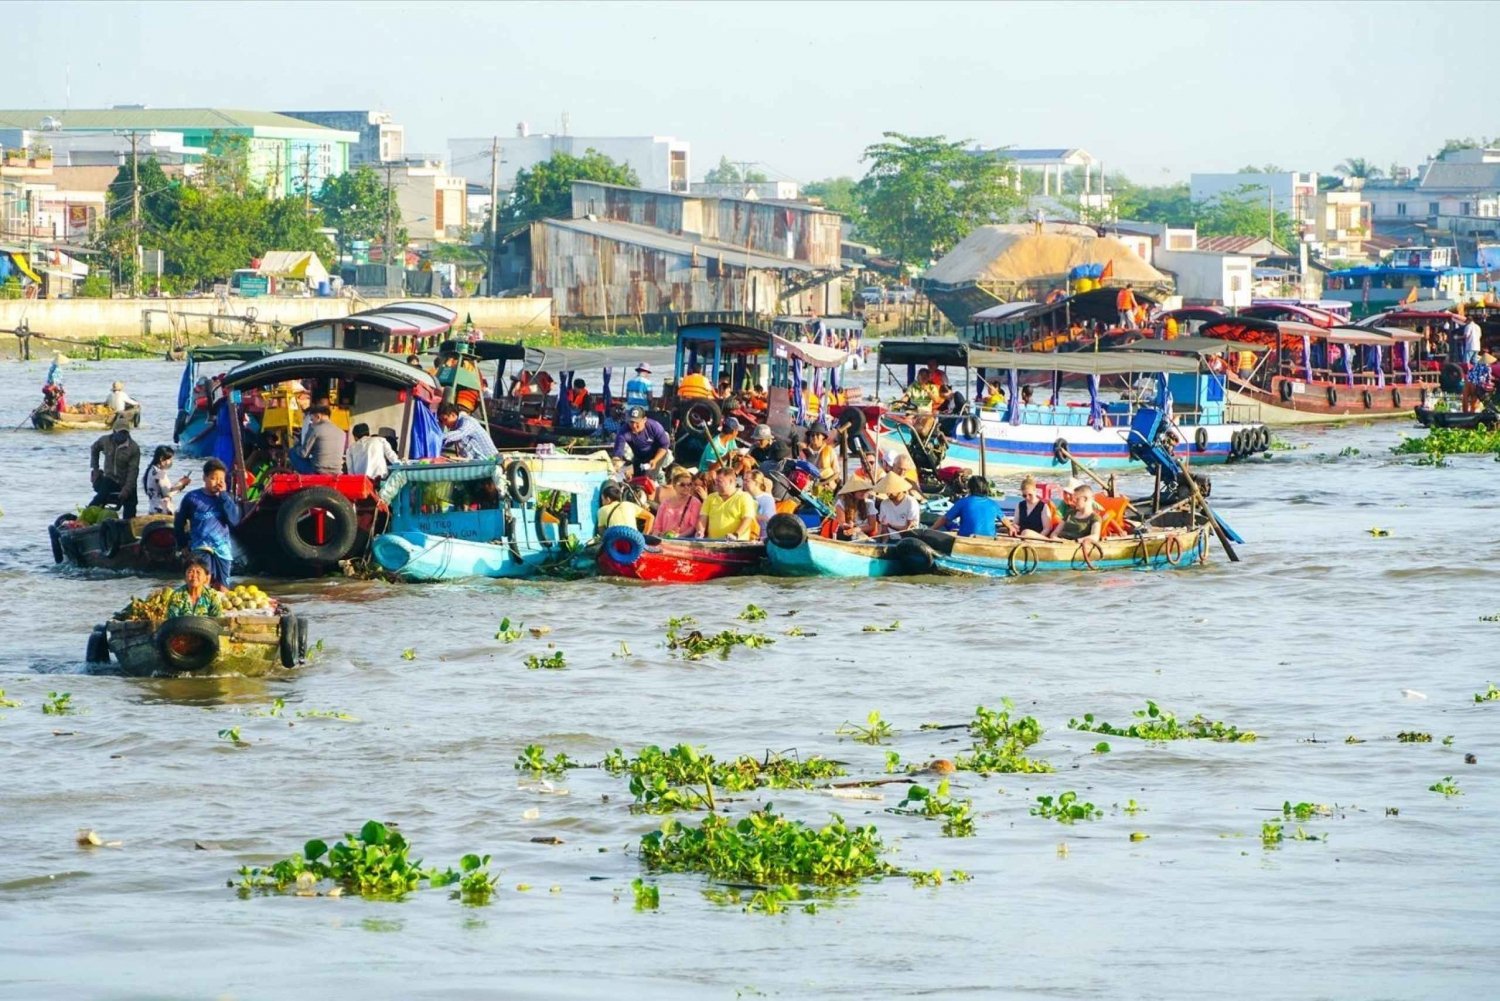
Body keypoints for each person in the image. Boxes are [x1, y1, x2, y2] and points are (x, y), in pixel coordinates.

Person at [174, 458, 241, 590]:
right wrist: (182, 544)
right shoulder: (192, 498)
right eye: (213, 478)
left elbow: (234, 520)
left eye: (221, 479)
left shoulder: (227, 498)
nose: (218, 482)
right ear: (204, 478)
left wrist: (224, 496)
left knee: (222, 588)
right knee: (203, 583)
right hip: (201, 547)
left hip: (222, 549)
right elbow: (179, 522)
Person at [89, 414, 141, 518]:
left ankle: (127, 527)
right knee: (99, 499)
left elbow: (133, 471)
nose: (123, 435)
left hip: (126, 481)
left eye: (125, 432)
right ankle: (84, 519)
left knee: (131, 504)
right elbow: (94, 449)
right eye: (120, 432)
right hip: (110, 478)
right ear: (114, 432)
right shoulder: (105, 441)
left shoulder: (133, 448)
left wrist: (126, 489)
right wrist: (95, 469)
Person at [698, 465, 758, 540]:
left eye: (719, 481)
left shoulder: (744, 497)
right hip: (712, 543)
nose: (715, 484)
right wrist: (700, 531)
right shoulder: (710, 497)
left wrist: (736, 534)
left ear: (731, 481)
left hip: (736, 545)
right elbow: (703, 517)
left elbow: (747, 519)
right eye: (715, 481)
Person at [613, 405, 673, 478]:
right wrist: (616, 464)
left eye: (637, 422)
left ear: (644, 420)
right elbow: (618, 451)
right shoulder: (624, 430)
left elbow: (664, 445)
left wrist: (655, 460)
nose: (634, 426)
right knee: (635, 478)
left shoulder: (654, 426)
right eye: (631, 422)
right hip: (639, 455)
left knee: (649, 476)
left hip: (657, 454)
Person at [933, 476, 1002, 538]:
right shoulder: (993, 504)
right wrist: (1011, 528)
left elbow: (944, 519)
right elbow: (1005, 521)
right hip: (989, 539)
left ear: (969, 488)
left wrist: (930, 530)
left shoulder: (963, 502)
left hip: (967, 538)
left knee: (945, 524)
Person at [294, 406, 346, 475]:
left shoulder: (314, 429)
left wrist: (296, 447)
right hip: (337, 471)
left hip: (318, 470)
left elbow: (304, 454)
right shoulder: (341, 432)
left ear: (318, 417)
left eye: (312, 420)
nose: (311, 423)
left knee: (292, 452)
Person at [652, 468, 703, 537]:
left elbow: (693, 527)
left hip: (684, 541)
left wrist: (678, 536)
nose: (686, 487)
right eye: (682, 484)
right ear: (674, 485)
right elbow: (656, 527)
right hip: (664, 541)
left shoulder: (694, 502)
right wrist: (660, 534)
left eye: (689, 484)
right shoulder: (665, 503)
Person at [143, 445, 192, 516]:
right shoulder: (160, 473)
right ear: (162, 459)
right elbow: (168, 492)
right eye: (170, 459)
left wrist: (181, 486)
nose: (171, 462)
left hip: (153, 509)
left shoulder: (151, 470)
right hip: (163, 511)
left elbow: (164, 491)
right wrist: (182, 483)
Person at [827, 475, 878, 540]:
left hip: (864, 532)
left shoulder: (869, 503)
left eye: (865, 490)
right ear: (852, 492)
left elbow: (872, 526)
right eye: (860, 490)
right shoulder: (841, 503)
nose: (863, 492)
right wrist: (848, 526)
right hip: (847, 532)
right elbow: (842, 523)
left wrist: (857, 529)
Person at [747, 470, 776, 537]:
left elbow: (769, 519)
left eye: (747, 481)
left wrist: (747, 515)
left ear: (756, 483)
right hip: (747, 534)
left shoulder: (767, 499)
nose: (744, 483)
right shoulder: (744, 496)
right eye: (744, 480)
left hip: (761, 537)